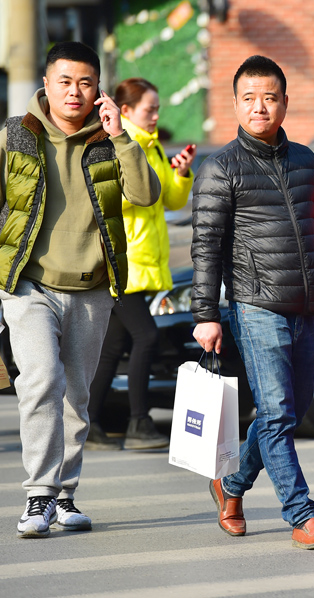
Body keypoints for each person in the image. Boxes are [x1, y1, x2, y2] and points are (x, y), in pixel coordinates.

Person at [0, 41, 160, 538]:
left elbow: (146, 194)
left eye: (85, 83)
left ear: (99, 90)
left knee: (78, 395)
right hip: (29, 283)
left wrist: (124, 139)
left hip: (92, 286)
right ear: (46, 84)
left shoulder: (110, 140)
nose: (75, 91)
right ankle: (39, 495)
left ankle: (65, 495)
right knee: (41, 379)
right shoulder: (15, 136)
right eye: (65, 81)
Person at [191, 55, 314, 549]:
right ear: (235, 103)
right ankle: (302, 516)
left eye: (270, 97)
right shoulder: (221, 168)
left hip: (306, 305)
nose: (260, 106)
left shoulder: (305, 159)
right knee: (276, 412)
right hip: (256, 305)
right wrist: (206, 315)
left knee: (289, 413)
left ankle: (230, 485)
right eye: (250, 98)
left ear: (283, 102)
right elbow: (206, 245)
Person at [86, 78, 197, 450]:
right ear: (126, 111)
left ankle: (91, 425)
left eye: (157, 109)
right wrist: (140, 174)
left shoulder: (152, 147)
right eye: (149, 109)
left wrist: (180, 173)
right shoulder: (120, 145)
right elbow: (122, 197)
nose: (156, 116)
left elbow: (171, 200)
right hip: (123, 261)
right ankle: (138, 423)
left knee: (113, 346)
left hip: (144, 263)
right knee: (146, 337)